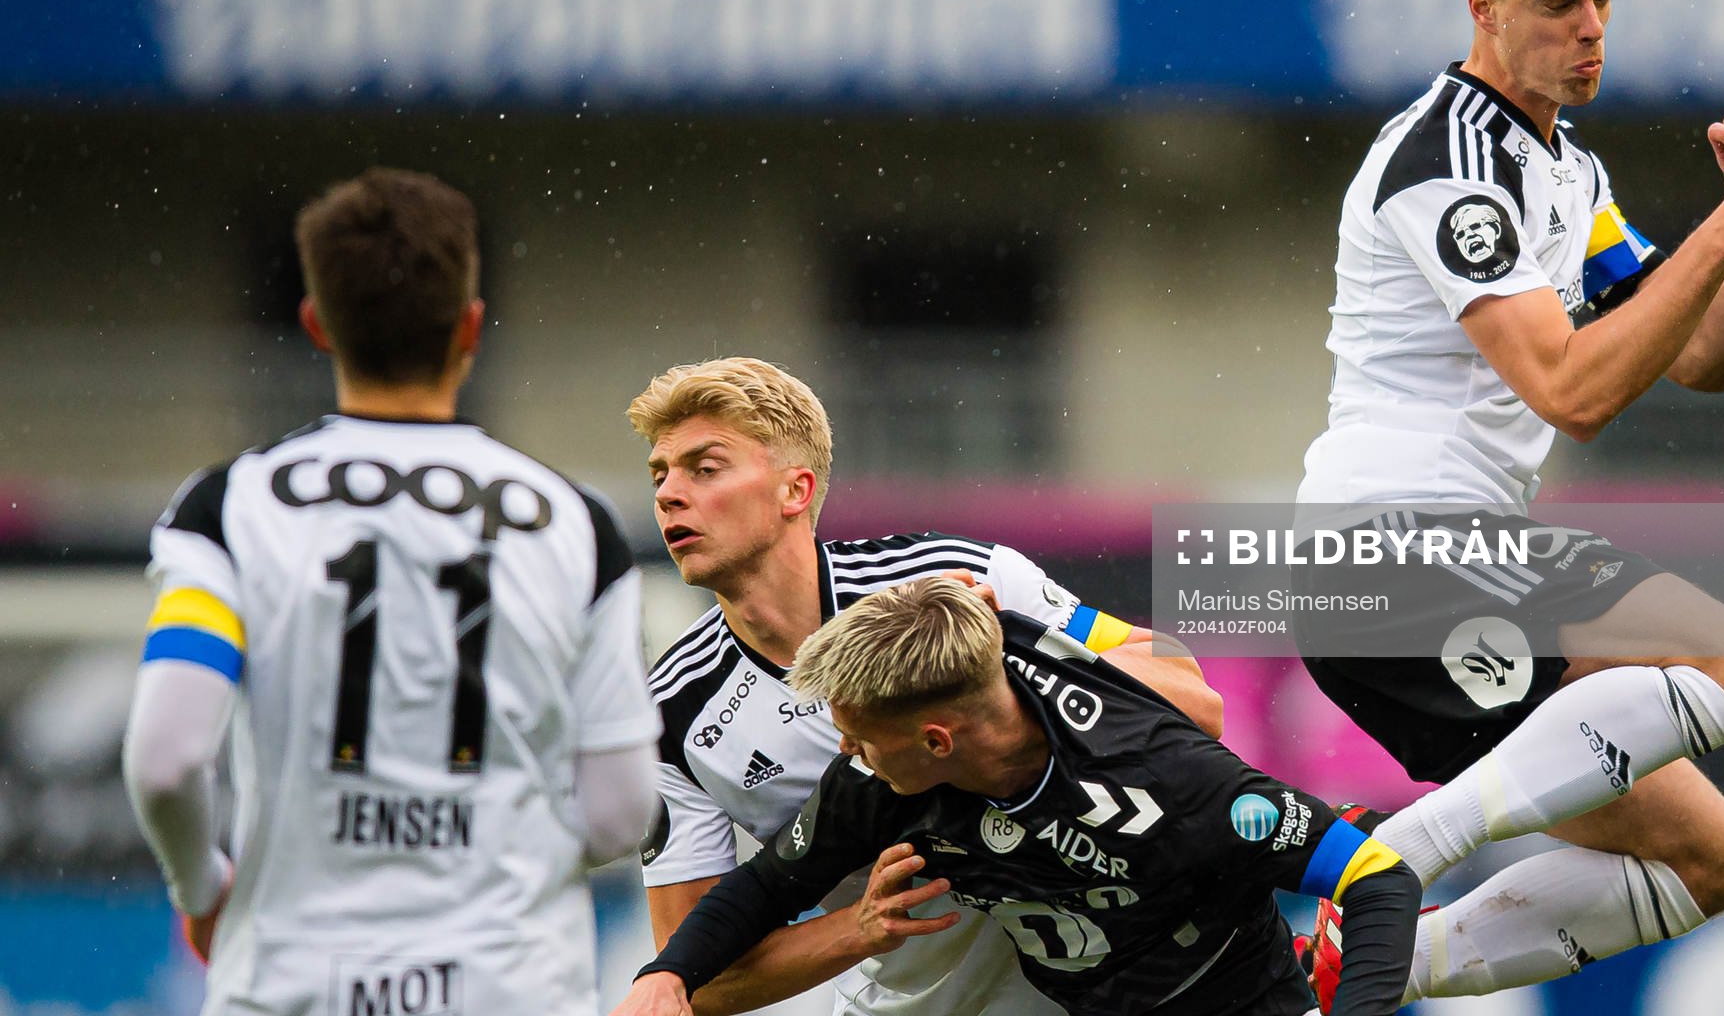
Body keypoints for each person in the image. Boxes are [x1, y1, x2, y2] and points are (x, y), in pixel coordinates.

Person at [1294, 0, 1724, 1007]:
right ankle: (1395, 855)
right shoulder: (1449, 158)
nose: (1591, 29)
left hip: (1441, 578)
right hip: (1394, 547)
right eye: (1560, 4)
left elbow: (1700, 356)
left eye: (1604, 0)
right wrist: (1723, 229)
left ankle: (1346, 970)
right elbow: (1574, 391)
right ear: (1483, 7)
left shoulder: (1570, 174)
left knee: (1706, 860)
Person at [122, 169, 661, 1015]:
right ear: (471, 328)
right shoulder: (576, 525)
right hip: (508, 987)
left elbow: (165, 762)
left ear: (315, 323)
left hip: (295, 985)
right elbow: (621, 814)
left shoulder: (230, 508)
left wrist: (202, 888)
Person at [613, 357, 1222, 1016]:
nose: (669, 494)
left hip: (1121, 990)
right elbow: (693, 977)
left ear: (795, 490)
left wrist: (1006, 663)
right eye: (659, 474)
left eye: (705, 469)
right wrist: (856, 928)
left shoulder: (953, 578)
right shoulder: (670, 713)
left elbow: (1194, 698)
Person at [625, 578, 1420, 1016]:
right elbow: (769, 885)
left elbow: (1380, 876)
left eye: (858, 736)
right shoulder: (884, 775)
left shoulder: (1165, 777)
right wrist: (666, 975)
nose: (845, 752)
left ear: (938, 740)